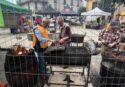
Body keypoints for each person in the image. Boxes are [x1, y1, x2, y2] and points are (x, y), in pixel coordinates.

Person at [32, 17, 53, 87]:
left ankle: (44, 72)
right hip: (39, 48)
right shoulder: (37, 29)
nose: (47, 26)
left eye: (47, 25)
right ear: (43, 23)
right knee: (41, 62)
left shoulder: (44, 28)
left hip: (44, 48)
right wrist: (49, 40)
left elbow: (44, 35)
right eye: (46, 24)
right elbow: (40, 39)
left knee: (43, 61)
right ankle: (42, 79)